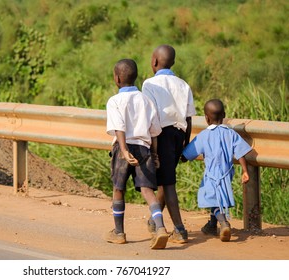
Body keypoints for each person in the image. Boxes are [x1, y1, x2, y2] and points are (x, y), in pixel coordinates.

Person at [105, 58, 169, 249]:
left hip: (123, 148)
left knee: (118, 189)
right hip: (144, 148)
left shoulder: (114, 101)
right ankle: (160, 228)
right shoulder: (146, 100)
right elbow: (154, 131)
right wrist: (154, 154)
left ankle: (119, 232)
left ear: (117, 78)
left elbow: (119, 128)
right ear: (136, 77)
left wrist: (124, 150)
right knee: (148, 191)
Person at [142, 44, 196, 243]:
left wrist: (151, 144)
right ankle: (153, 221)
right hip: (179, 135)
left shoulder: (149, 84)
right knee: (167, 178)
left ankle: (180, 229)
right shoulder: (183, 84)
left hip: (161, 135)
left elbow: (150, 115)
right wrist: (186, 144)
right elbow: (189, 118)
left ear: (154, 62)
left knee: (169, 184)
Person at [182, 99, 252, 242]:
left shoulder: (203, 135)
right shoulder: (231, 133)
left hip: (211, 175)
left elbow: (188, 154)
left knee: (209, 198)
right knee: (217, 197)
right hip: (227, 173)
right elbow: (241, 153)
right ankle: (212, 225)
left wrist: (180, 156)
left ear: (206, 118)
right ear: (224, 115)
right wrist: (245, 171)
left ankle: (224, 223)